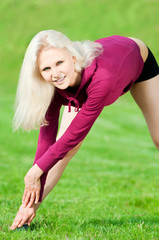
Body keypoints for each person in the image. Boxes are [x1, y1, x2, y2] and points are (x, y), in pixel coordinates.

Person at [10, 30, 159, 230]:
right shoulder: (55, 83)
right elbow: (47, 141)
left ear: (72, 58)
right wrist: (31, 193)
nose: (54, 73)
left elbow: (75, 134)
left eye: (59, 63)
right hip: (92, 73)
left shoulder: (102, 79)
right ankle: (26, 215)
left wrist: (36, 171)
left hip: (136, 59)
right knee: (62, 152)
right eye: (46, 68)